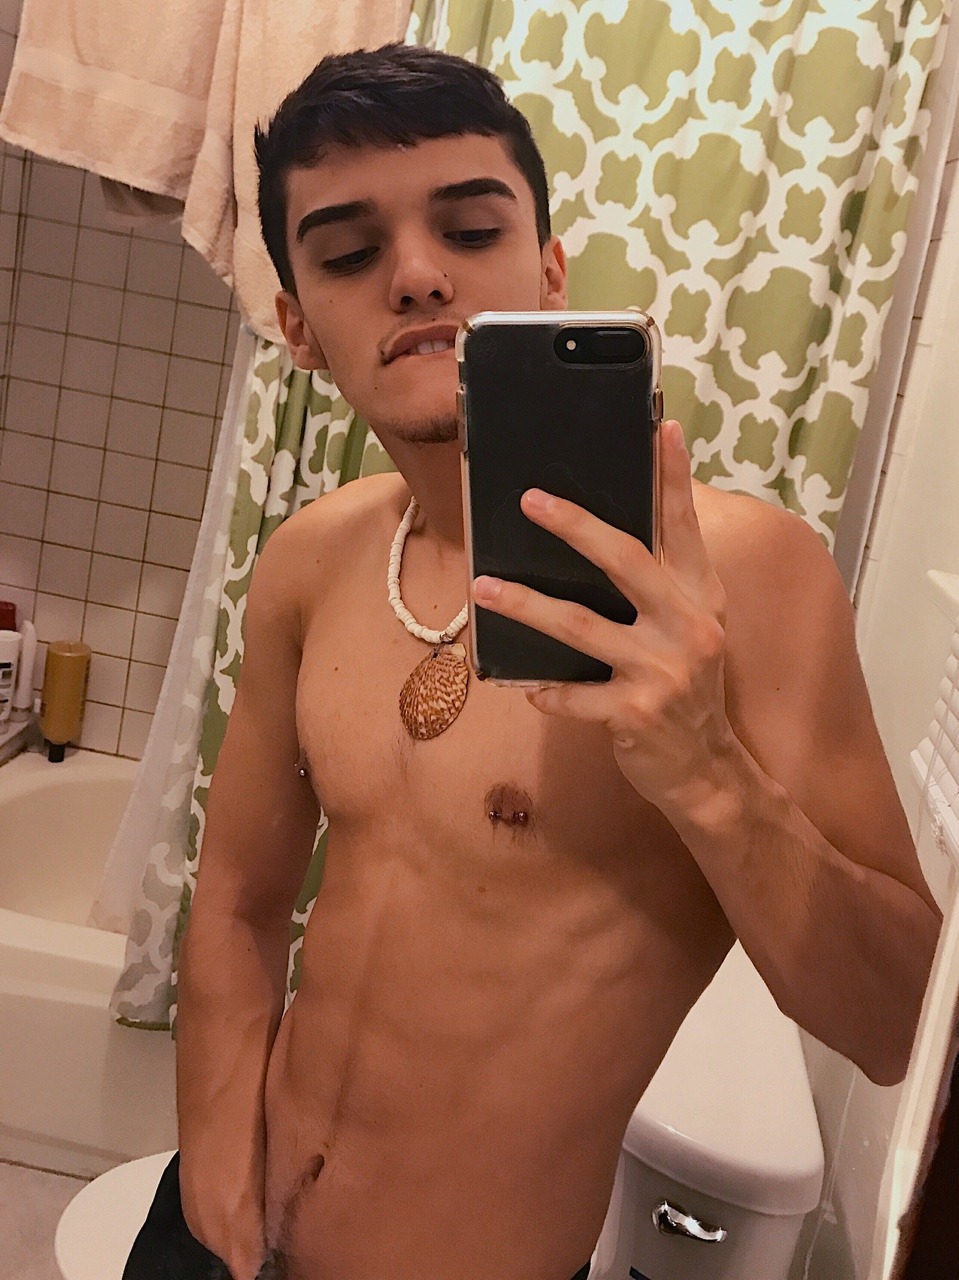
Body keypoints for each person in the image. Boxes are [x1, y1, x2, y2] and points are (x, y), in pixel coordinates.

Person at [126, 42, 941, 1280]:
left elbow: (896, 1025)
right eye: (346, 253)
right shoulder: (311, 560)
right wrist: (214, 1168)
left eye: (469, 230)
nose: (415, 274)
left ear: (549, 275)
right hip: (214, 1234)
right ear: (296, 326)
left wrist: (705, 771)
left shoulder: (744, 577)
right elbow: (238, 901)